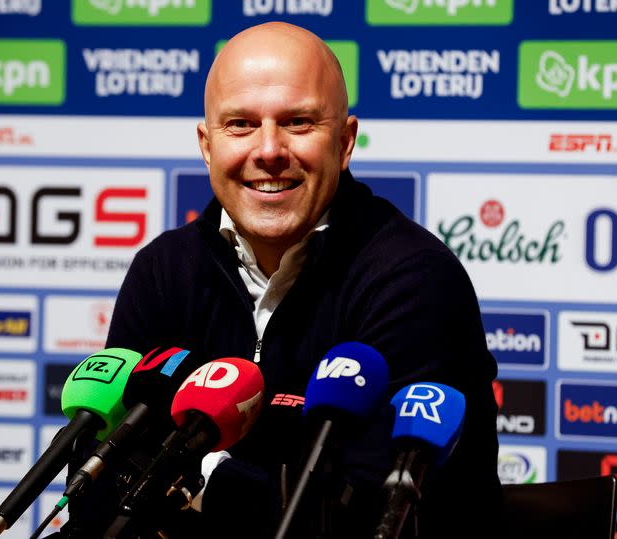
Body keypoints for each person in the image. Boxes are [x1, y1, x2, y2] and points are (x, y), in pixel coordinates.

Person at [99, 21, 502, 538]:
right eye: (240, 124)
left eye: (298, 122)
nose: (268, 150)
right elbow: (99, 490)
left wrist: (201, 485)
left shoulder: (415, 278)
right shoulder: (163, 271)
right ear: (207, 144)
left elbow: (370, 517)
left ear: (346, 140)